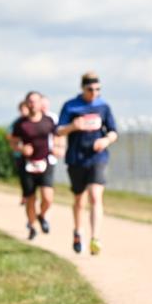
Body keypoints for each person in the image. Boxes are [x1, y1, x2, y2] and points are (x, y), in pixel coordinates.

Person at [57, 72, 118, 255]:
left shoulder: (103, 107)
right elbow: (59, 130)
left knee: (95, 196)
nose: (94, 93)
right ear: (82, 88)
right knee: (79, 199)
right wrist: (73, 126)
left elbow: (113, 132)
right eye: (90, 89)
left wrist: (105, 141)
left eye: (98, 89)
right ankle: (77, 231)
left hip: (97, 158)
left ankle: (95, 238)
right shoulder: (71, 106)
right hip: (76, 158)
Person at [10, 92, 57, 240]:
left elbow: (58, 137)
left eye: (35, 101)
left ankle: (42, 216)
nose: (32, 104)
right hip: (27, 165)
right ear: (26, 103)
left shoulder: (48, 121)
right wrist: (20, 148)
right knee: (30, 198)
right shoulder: (20, 123)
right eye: (29, 102)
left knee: (48, 197)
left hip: (45, 162)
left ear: (40, 103)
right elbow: (13, 142)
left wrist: (59, 148)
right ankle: (32, 226)